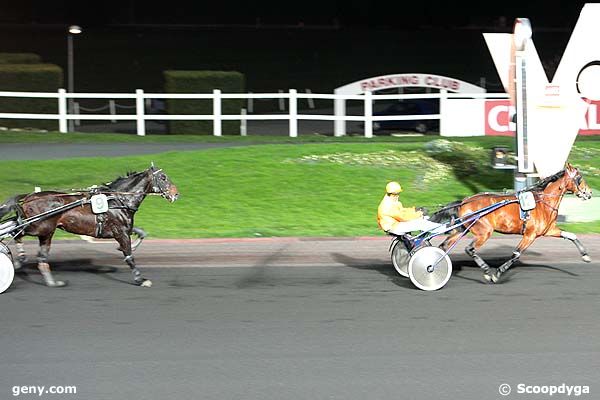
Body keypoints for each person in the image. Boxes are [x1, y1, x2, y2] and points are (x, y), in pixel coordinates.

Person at [377, 181, 446, 236]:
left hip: (395, 224)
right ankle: (445, 229)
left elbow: (402, 211)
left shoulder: (391, 200)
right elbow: (403, 217)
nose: (397, 196)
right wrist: (419, 214)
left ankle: (441, 227)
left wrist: (415, 210)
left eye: (398, 194)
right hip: (394, 227)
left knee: (425, 218)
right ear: (391, 193)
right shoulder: (388, 204)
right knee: (421, 223)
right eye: (396, 194)